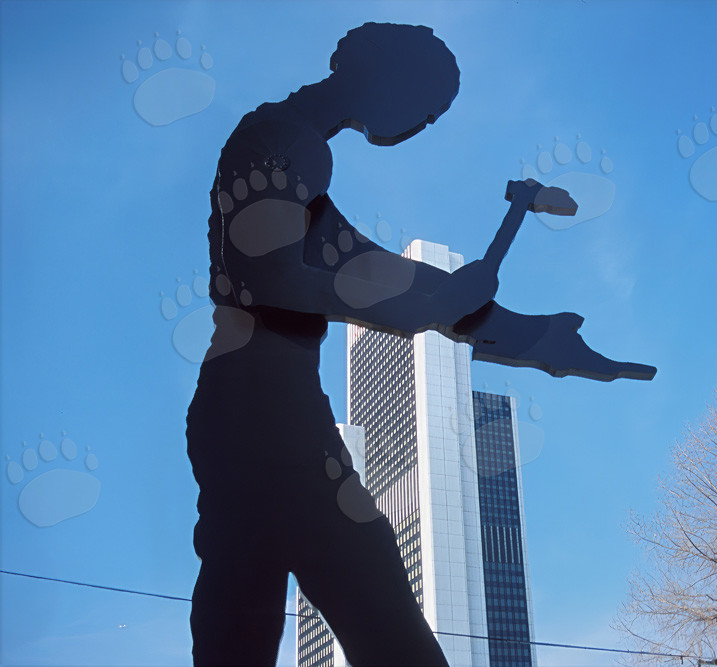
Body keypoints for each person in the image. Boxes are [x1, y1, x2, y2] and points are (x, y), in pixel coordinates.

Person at [188, 22, 655, 666]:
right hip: (266, 410)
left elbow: (367, 269)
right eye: (430, 101)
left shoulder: (295, 156)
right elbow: (265, 274)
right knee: (368, 598)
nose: (426, 121)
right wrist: (431, 307)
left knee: (243, 609)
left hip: (248, 407)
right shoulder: (282, 138)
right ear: (384, 74)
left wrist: (539, 336)